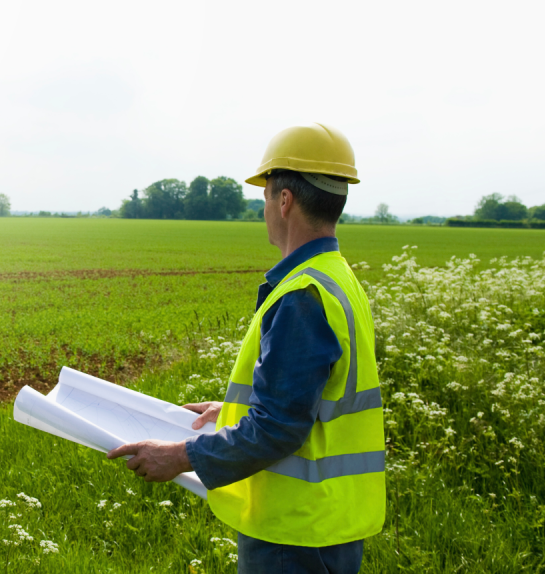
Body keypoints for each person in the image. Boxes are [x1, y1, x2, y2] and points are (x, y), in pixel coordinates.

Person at [107, 123, 385, 573]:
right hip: (331, 523)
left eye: (265, 198)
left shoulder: (302, 295)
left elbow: (277, 427)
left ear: (285, 200)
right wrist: (233, 409)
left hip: (292, 534)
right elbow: (312, 398)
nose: (265, 211)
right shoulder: (338, 278)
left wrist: (179, 456)